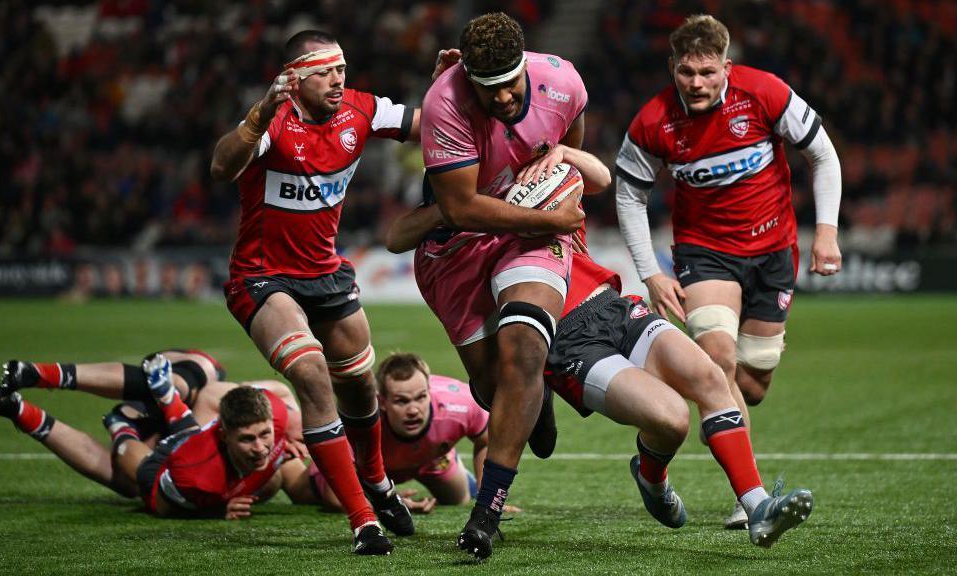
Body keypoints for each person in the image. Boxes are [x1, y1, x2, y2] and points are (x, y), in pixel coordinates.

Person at [388, 201, 815, 552]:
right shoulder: (472, 236)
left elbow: (598, 174)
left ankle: (758, 506)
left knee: (708, 375)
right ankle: (651, 476)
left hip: (612, 305)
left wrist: (557, 154)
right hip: (567, 344)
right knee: (671, 421)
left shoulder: (538, 175)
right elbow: (398, 238)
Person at [613, 14, 841, 529]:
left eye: (707, 72)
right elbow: (629, 194)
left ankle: (709, 415)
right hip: (704, 253)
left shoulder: (764, 93)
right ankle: (752, 497)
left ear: (726, 68)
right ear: (673, 67)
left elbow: (822, 156)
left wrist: (825, 230)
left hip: (774, 250)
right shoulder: (653, 121)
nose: (696, 83)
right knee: (716, 357)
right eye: (687, 72)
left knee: (752, 383)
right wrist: (650, 272)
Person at [209, 30, 426, 554]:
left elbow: (432, 125)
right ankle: (363, 520)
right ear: (296, 77)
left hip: (326, 273)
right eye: (325, 72)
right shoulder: (273, 122)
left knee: (358, 386)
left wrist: (452, 89)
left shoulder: (361, 110)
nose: (338, 79)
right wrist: (258, 113)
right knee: (311, 373)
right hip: (262, 278)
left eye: (342, 69)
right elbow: (221, 166)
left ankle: (375, 480)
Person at [418, 13, 612, 559]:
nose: (504, 97)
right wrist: (553, 222)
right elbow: (458, 207)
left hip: (527, 238)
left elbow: (565, 157)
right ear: (469, 79)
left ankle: (487, 511)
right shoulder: (444, 103)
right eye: (490, 87)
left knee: (523, 344)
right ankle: (534, 397)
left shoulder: (563, 81)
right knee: (491, 384)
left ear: (526, 64)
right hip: (462, 241)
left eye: (511, 82)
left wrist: (553, 208)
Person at [0, 354, 312, 520]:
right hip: (166, 478)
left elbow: (279, 393)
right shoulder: (195, 473)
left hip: (190, 413)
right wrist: (220, 507)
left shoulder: (276, 414)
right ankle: (123, 423)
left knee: (269, 478)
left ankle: (19, 405)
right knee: (127, 476)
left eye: (265, 434)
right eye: (248, 439)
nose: (260, 447)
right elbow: (187, 437)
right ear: (224, 436)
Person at [310, 352, 491, 515]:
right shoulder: (359, 420)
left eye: (421, 397)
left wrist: (487, 498)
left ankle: (457, 468)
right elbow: (334, 498)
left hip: (429, 458)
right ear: (382, 401)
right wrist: (390, 504)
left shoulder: (459, 402)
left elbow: (486, 440)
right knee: (306, 494)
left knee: (458, 499)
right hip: (365, 470)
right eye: (401, 401)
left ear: (430, 391)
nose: (413, 410)